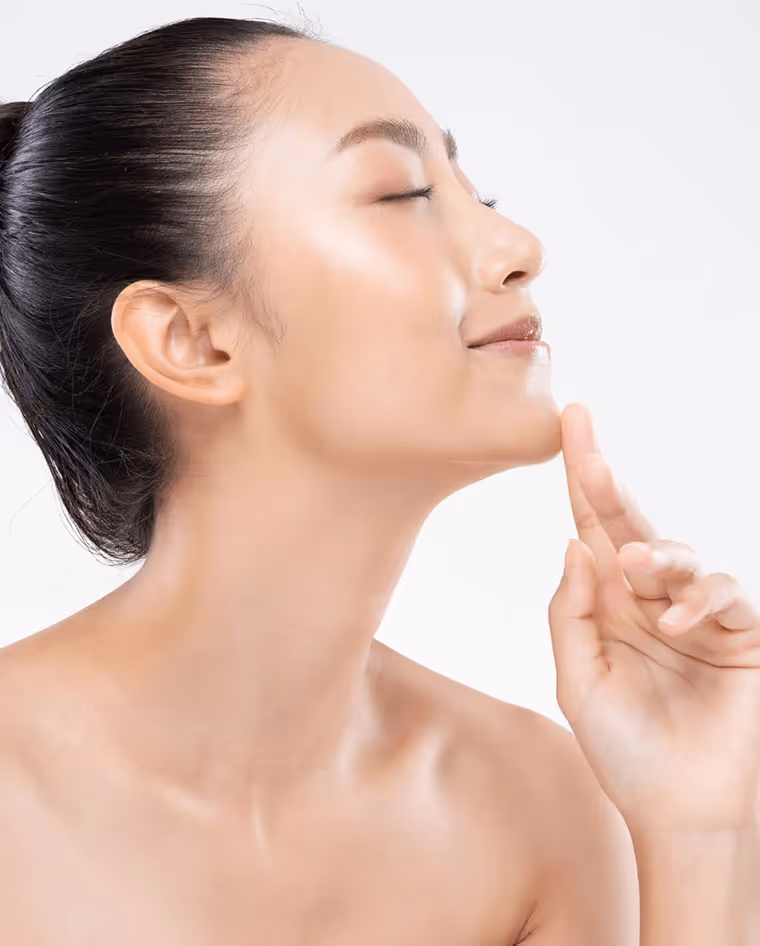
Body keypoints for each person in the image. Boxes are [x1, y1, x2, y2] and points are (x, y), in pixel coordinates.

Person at [0, 15, 758, 944]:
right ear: (191, 341)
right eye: (403, 193)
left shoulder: (537, 811)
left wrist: (700, 835)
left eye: (479, 195)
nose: (519, 245)